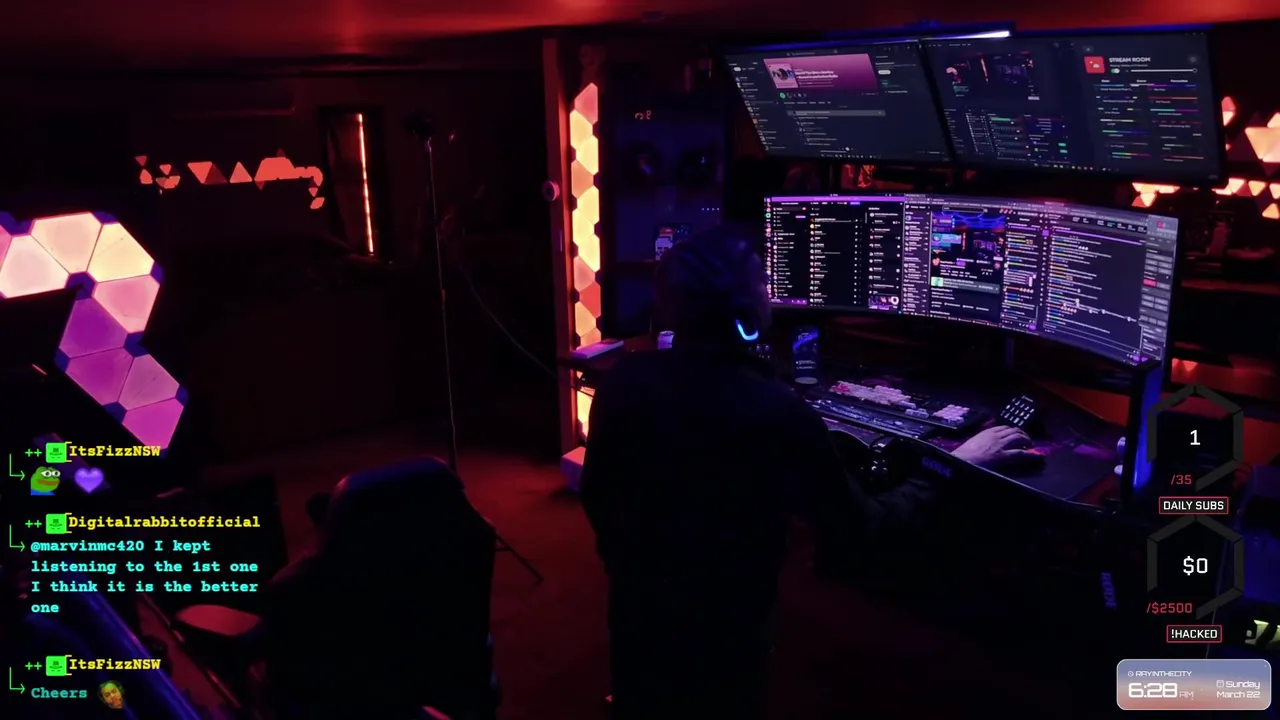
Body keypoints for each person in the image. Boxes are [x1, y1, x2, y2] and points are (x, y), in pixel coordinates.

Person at [579, 225, 1041, 719]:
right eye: (763, 282)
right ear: (747, 314)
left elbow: (597, 496)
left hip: (637, 613)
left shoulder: (623, 382)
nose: (771, 291)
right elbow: (865, 532)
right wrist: (954, 465)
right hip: (728, 634)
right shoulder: (776, 412)